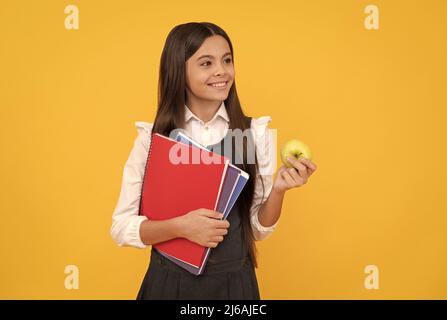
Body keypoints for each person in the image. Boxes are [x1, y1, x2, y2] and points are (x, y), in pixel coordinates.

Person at [110, 22, 317, 300]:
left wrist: (279, 190)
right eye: (206, 63)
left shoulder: (253, 134)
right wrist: (181, 227)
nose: (221, 71)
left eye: (227, 60)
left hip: (235, 288)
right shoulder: (153, 138)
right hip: (167, 286)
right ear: (178, 71)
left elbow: (257, 229)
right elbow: (121, 228)